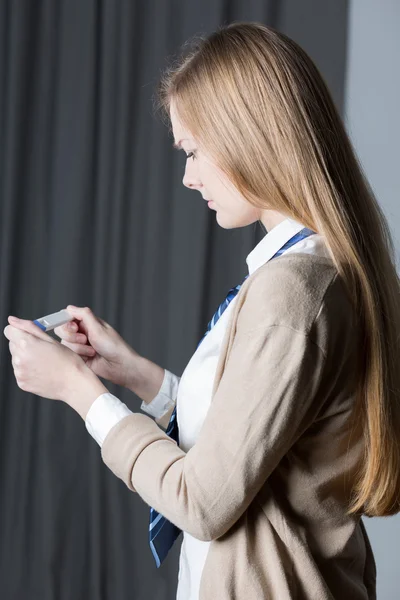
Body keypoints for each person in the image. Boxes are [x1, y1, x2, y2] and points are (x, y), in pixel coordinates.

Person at [6, 21, 400, 600]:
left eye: (192, 151)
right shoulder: (309, 270)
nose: (188, 177)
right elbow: (255, 432)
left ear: (249, 136)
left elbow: (203, 501)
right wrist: (133, 374)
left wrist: (79, 393)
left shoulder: (292, 291)